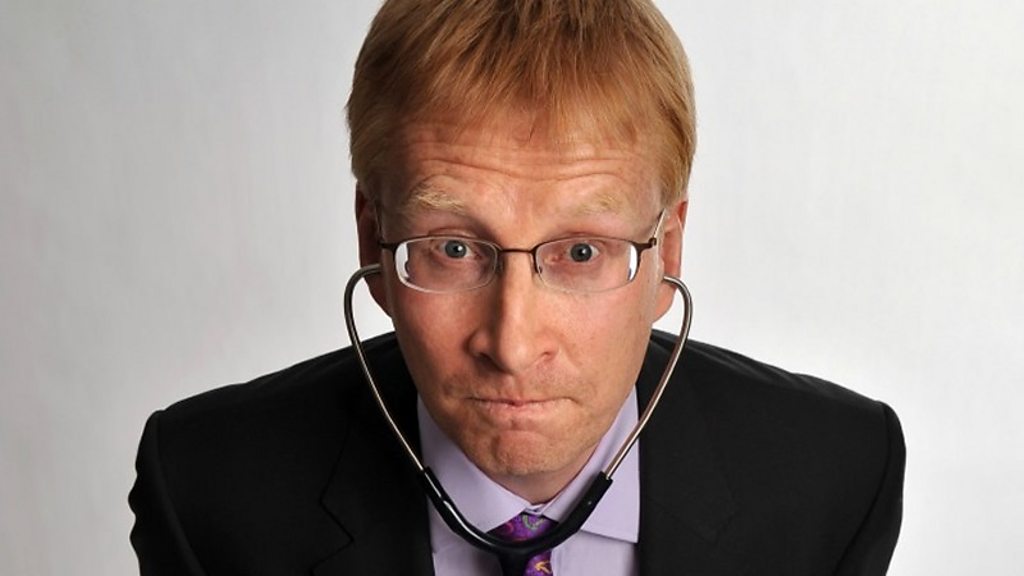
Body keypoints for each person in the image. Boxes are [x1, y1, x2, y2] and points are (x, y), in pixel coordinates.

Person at [129, 1, 905, 574]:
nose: (512, 344)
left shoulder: (836, 480)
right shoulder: (208, 495)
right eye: (454, 249)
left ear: (666, 251)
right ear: (374, 242)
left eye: (580, 252)